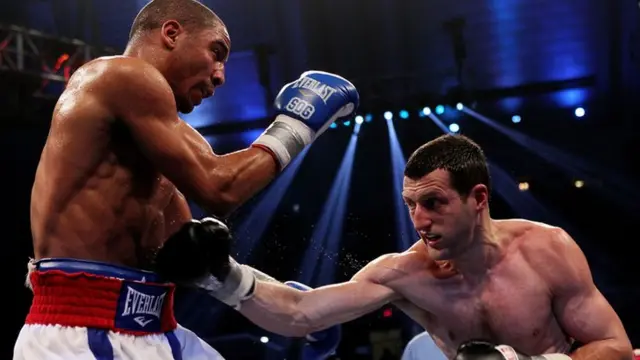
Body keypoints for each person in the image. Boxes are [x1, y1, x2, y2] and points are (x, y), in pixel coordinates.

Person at [14, 0, 358, 358]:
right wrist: (298, 124)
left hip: (155, 328)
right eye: (216, 51)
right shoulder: (119, 75)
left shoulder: (178, 145)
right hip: (80, 331)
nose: (221, 75)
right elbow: (220, 189)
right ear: (172, 33)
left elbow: (200, 264)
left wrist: (299, 310)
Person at [157, 134, 634, 360]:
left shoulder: (546, 249)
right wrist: (224, 278)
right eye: (410, 205)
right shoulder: (406, 273)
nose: (419, 221)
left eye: (433, 203)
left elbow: (614, 345)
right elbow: (301, 313)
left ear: (479, 198)